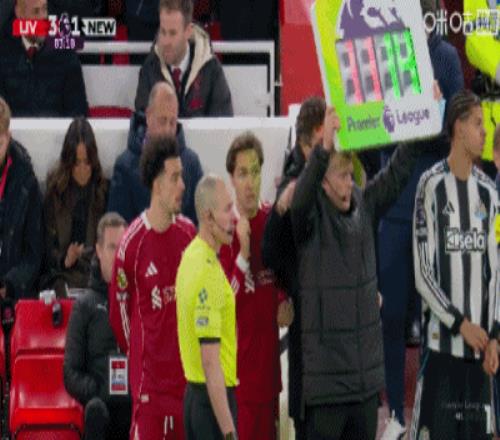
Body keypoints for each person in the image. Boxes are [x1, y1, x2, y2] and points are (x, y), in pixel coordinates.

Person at [290, 106, 444, 439]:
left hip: (364, 389)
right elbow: (300, 199)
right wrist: (323, 150)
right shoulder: (309, 219)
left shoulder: (364, 205)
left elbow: (396, 174)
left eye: (351, 174)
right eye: (342, 175)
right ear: (323, 181)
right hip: (327, 393)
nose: (350, 182)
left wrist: (421, 119)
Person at [378, 4, 465, 438]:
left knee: (439, 317)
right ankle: (395, 414)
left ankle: (433, 413)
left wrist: (431, 114)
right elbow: (372, 124)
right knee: (391, 315)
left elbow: (458, 124)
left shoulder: (445, 56)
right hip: (393, 205)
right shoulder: (383, 51)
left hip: (433, 205)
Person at [410, 90, 500, 440]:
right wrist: (460, 324)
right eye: (477, 124)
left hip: (479, 356)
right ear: (459, 129)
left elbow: (496, 273)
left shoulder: (489, 192)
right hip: (441, 353)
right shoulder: (430, 186)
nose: (484, 132)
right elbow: (423, 274)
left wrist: (494, 336)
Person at [109, 135, 196, 439]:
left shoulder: (189, 235)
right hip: (150, 393)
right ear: (157, 185)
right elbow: (119, 316)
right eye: (175, 177)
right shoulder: (131, 245)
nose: (182, 185)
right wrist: (144, 359)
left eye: (182, 176)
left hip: (187, 387)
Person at [219, 132, 293, 440]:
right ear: (232, 179)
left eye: (255, 172)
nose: (250, 182)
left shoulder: (273, 222)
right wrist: (243, 255)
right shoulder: (223, 231)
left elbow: (287, 275)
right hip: (237, 381)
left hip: (270, 375)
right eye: (242, 174)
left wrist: (286, 299)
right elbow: (222, 305)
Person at [262, 96, 325, 440]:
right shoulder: (293, 186)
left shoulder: (317, 178)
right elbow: (271, 251)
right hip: (306, 317)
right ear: (307, 142)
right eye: (323, 142)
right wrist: (293, 289)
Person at [176, 174, 238, 440]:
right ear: (208, 217)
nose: (234, 217)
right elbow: (211, 362)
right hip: (213, 403)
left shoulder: (190, 255)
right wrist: (229, 433)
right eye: (227, 209)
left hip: (194, 398)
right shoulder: (207, 273)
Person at [64, 212, 130, 440]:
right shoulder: (85, 306)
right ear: (99, 251)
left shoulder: (140, 302)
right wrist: (100, 390)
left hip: (135, 407)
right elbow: (70, 373)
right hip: (101, 409)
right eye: (112, 247)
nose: (119, 255)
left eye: (123, 248)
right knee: (95, 411)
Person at [108, 81, 202, 224]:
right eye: (162, 121)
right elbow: (118, 228)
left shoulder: (191, 164)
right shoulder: (125, 167)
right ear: (148, 116)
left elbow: (201, 224)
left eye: (172, 122)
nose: (167, 130)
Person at [42, 118, 108, 297]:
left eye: (87, 162)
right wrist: (65, 258)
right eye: (77, 163)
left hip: (95, 277)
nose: (82, 169)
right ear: (68, 162)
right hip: (61, 277)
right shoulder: (55, 194)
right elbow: (46, 249)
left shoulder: (103, 192)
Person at [134, 0, 233, 117]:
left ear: (188, 31)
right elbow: (142, 121)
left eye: (172, 33)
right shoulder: (149, 69)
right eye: (163, 31)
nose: (166, 42)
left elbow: (223, 123)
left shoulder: (211, 69)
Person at [0, 0, 88, 117]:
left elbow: (78, 112)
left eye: (44, 9)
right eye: (36, 11)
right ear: (19, 13)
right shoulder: (4, 54)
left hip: (58, 128)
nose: (43, 17)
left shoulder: (65, 53)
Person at [0, 97, 43, 303]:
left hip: (12, 296)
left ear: (8, 138)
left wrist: (9, 285)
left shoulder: (27, 183)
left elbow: (34, 253)